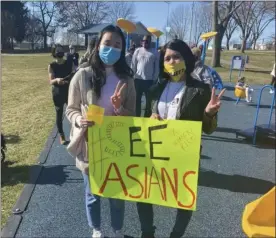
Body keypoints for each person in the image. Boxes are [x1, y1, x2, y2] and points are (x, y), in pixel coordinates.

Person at [137, 39, 225, 238]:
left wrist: (209, 113)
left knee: (184, 198)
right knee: (144, 194)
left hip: (184, 155)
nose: (172, 61)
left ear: (186, 59)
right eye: (167, 58)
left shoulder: (201, 90)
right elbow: (144, 121)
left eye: (177, 56)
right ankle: (147, 232)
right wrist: (149, 119)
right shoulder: (154, 91)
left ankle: (176, 234)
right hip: (156, 152)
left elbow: (208, 129)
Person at [66, 25, 136, 238]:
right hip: (90, 144)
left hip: (116, 144)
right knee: (93, 194)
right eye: (107, 43)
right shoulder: (82, 76)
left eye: (117, 45)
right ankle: (96, 229)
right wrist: (80, 119)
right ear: (98, 46)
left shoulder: (127, 79)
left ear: (122, 50)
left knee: (116, 194)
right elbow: (71, 109)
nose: (112, 49)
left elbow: (132, 115)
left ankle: (117, 230)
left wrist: (119, 108)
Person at [48, 44, 74, 145]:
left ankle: (75, 133)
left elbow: (73, 74)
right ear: (54, 53)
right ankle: (62, 135)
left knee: (73, 111)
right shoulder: (51, 65)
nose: (60, 52)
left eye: (61, 50)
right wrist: (57, 80)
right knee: (59, 114)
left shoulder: (69, 63)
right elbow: (51, 81)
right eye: (57, 51)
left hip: (69, 91)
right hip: (57, 93)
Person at [131, 35, 159, 117]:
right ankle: (137, 117)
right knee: (137, 101)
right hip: (137, 80)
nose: (145, 43)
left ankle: (147, 118)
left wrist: (154, 79)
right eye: (144, 41)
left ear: (150, 42)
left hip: (149, 81)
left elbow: (157, 68)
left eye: (147, 41)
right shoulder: (137, 51)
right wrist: (132, 76)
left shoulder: (155, 52)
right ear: (141, 42)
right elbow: (133, 65)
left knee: (148, 101)